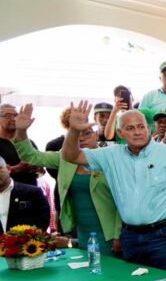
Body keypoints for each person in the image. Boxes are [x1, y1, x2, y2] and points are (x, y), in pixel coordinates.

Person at [62, 106, 166, 272]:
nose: (137, 132)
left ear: (148, 128)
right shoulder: (110, 155)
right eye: (130, 128)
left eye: (141, 127)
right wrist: (74, 130)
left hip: (165, 236)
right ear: (120, 132)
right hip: (130, 237)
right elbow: (70, 156)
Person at [12, 103, 121, 254]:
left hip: (110, 231)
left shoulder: (108, 158)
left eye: (87, 133)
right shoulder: (65, 158)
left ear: (96, 135)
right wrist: (21, 131)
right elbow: (31, 156)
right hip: (80, 229)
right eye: (77, 133)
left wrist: (118, 234)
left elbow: (121, 200)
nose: (82, 138)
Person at [0, 156, 50, 233]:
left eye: (0, 168)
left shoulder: (33, 193)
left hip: (24, 243)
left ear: (8, 168)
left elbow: (42, 222)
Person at [0, 103, 40, 186]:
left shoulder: (28, 143)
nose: (14, 119)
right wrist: (16, 169)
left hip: (29, 192)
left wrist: (37, 168)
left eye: (16, 115)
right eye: (8, 116)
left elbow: (40, 172)